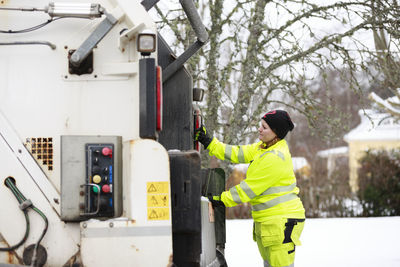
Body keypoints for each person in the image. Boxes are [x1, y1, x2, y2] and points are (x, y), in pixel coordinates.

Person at [195, 110, 305, 267]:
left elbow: (249, 189)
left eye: (265, 127)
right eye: (260, 125)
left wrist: (221, 199)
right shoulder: (263, 148)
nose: (259, 129)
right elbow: (237, 153)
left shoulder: (275, 157)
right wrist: (209, 142)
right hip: (270, 221)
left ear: (276, 133)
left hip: (282, 222)